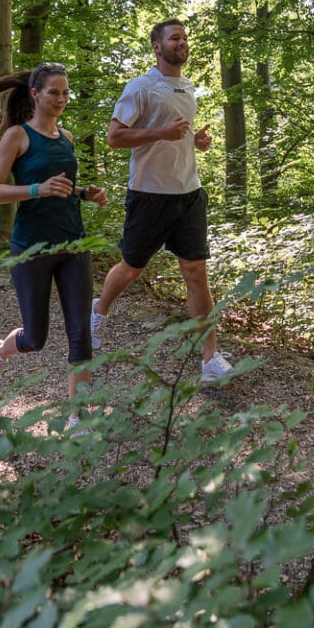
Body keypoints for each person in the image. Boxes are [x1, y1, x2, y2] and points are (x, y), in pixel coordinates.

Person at [89, 20, 233, 384]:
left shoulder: (187, 88)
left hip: (189, 193)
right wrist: (162, 133)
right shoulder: (140, 87)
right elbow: (115, 137)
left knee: (196, 272)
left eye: (184, 38)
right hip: (149, 194)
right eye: (174, 38)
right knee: (132, 268)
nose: (182, 43)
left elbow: (177, 137)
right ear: (157, 47)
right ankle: (99, 310)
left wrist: (194, 142)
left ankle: (210, 359)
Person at [0, 63, 108, 421]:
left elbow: (59, 188)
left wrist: (83, 193)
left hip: (74, 245)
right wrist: (37, 189)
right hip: (32, 248)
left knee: (80, 335)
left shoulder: (67, 137)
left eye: (66, 93)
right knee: (35, 338)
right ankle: (0, 352)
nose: (62, 99)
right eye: (54, 92)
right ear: (35, 94)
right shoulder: (17, 136)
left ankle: (78, 419)